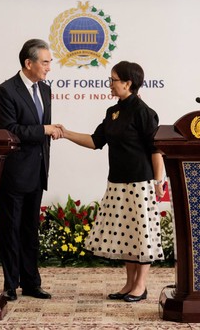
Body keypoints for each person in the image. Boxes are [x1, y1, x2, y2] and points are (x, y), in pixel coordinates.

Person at [59, 61, 166, 302]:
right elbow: (96, 141)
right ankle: (129, 283)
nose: (110, 84)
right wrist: (65, 133)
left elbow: (156, 149)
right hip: (117, 183)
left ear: (128, 83)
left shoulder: (143, 111)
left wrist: (159, 181)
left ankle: (141, 284)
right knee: (127, 234)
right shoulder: (113, 112)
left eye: (113, 80)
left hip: (141, 182)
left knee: (142, 234)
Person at [0, 39, 62, 301]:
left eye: (49, 63)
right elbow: (11, 130)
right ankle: (11, 284)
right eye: (45, 62)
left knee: (30, 230)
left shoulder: (45, 89)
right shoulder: (6, 91)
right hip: (14, 173)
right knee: (11, 230)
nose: (49, 68)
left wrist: (49, 131)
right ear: (28, 63)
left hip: (38, 170)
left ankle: (31, 282)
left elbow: (38, 130)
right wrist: (44, 130)